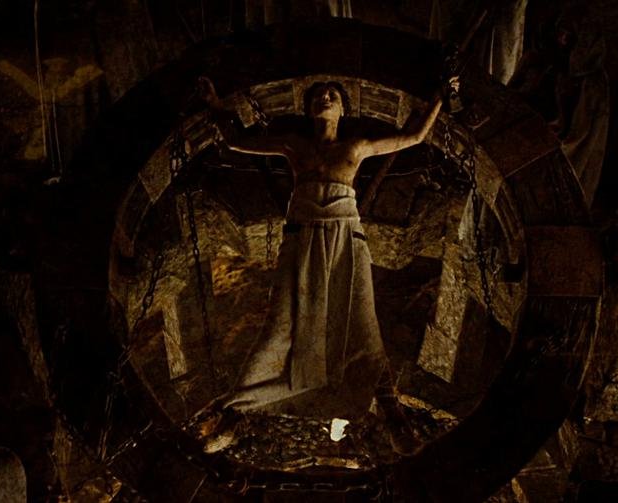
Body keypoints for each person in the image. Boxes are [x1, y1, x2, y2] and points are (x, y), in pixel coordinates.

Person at [196, 75, 458, 440]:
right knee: (282, 322)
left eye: (333, 94)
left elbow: (413, 137)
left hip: (345, 236)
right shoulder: (295, 145)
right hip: (301, 235)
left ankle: (389, 408)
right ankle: (235, 407)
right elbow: (238, 140)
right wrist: (214, 105)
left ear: (342, 110)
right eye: (319, 95)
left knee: (361, 320)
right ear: (309, 109)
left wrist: (439, 98)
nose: (326, 97)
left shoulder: (357, 146)